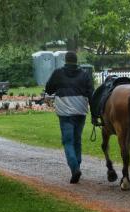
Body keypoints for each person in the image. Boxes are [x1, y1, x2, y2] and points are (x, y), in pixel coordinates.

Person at [45, 51, 93, 184]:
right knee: (77, 141)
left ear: (65, 60)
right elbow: (91, 93)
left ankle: (74, 168)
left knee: (68, 142)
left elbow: (48, 89)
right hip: (80, 111)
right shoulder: (84, 74)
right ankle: (77, 165)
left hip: (65, 112)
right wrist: (95, 114)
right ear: (76, 61)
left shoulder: (58, 73)